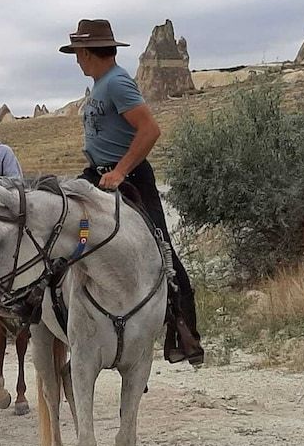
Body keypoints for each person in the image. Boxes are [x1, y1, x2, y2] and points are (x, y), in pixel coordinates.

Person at [60, 19, 204, 367]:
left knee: (160, 246)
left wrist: (121, 170)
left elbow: (150, 130)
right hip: (98, 175)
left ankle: (184, 331)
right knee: (68, 232)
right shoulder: (100, 86)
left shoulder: (117, 83)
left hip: (129, 177)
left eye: (78, 52)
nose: (76, 59)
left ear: (88, 52)